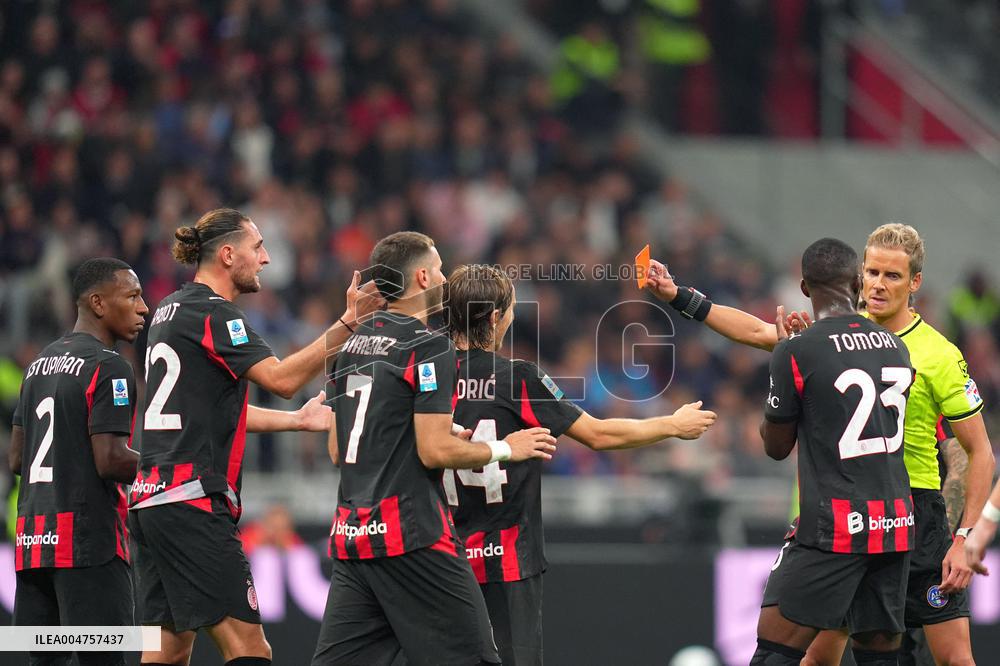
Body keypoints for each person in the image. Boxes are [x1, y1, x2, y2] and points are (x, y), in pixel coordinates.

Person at [645, 224, 994, 666]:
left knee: (955, 659)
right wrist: (681, 296)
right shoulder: (839, 332)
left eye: (892, 276)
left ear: (915, 283)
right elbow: (756, 332)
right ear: (856, 276)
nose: (878, 285)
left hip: (916, 514)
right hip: (853, 511)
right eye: (871, 272)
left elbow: (979, 450)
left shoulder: (939, 354)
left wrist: (965, 535)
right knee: (823, 656)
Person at [129, 208, 378, 666]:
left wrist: (295, 422)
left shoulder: (168, 309)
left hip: (151, 501)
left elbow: (206, 410)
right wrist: (348, 325)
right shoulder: (216, 315)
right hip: (193, 502)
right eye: (257, 247)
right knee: (249, 649)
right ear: (227, 254)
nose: (265, 258)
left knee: (167, 650)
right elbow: (282, 380)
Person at [443, 263, 717, 665]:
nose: (515, 317)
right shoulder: (519, 378)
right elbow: (599, 435)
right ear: (496, 317)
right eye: (513, 309)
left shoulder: (424, 378)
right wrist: (672, 425)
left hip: (441, 560)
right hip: (506, 562)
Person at [313, 232, 557, 666]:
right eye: (440, 268)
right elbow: (433, 451)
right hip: (413, 537)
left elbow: (338, 449)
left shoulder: (348, 344)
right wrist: (505, 448)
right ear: (422, 276)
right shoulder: (429, 345)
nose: (445, 278)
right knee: (478, 657)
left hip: (353, 537)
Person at [753, 238, 916, 665]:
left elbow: (776, 447)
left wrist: (785, 362)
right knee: (878, 658)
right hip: (895, 524)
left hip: (835, 528)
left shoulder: (797, 349)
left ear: (804, 288)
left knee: (774, 652)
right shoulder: (894, 345)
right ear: (858, 281)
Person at [9, 257, 148, 666]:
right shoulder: (110, 368)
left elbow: (17, 457)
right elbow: (110, 460)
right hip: (88, 548)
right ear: (98, 303)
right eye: (133, 296)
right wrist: (169, 467)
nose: (143, 308)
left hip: (35, 544)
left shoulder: (36, 367)